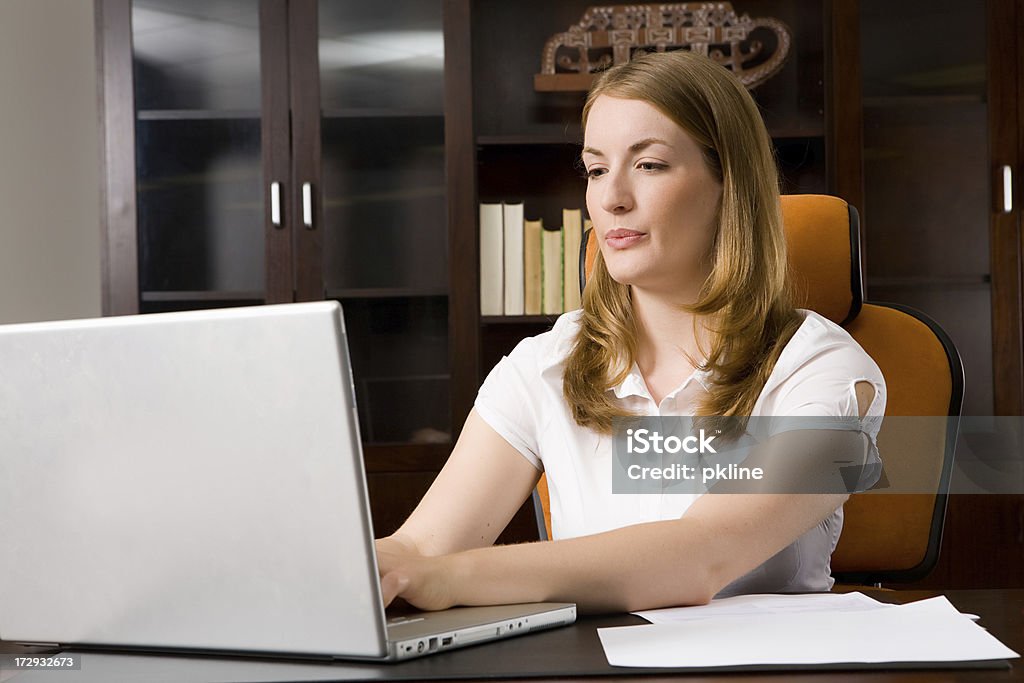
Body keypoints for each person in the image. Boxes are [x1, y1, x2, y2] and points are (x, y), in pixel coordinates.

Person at [375, 49, 885, 614]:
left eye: (650, 165)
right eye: (596, 169)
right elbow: (417, 548)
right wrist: (366, 565)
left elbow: (700, 556)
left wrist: (447, 577)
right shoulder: (541, 366)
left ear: (729, 184)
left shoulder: (826, 372)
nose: (611, 198)